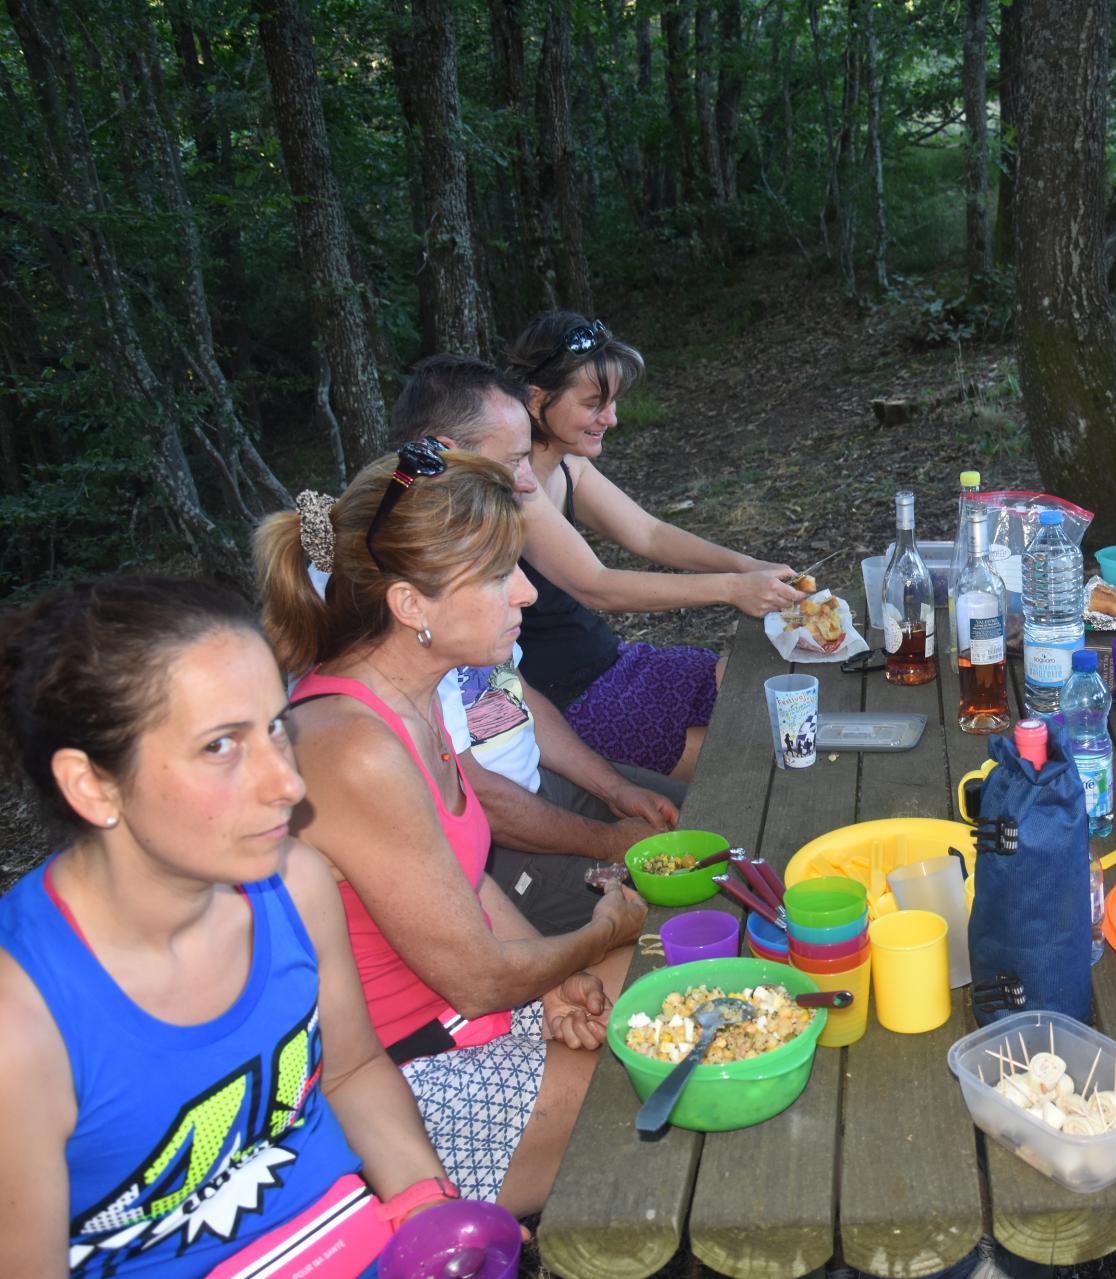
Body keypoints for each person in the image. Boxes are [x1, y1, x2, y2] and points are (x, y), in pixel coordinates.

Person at [0, 576, 457, 1278]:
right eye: (221, 746)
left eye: (276, 725)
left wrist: (430, 1211)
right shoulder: (24, 1020)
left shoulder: (294, 886)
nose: (289, 782)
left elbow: (355, 1069)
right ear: (93, 785)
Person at [256, 448, 649, 1216]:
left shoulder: (411, 694)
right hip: (411, 1087)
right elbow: (478, 978)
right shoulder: (353, 745)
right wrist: (601, 933)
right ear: (412, 605)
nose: (528, 592)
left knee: (694, 964)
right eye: (501, 573)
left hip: (476, 1018)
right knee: (677, 1057)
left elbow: (466, 878)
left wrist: (557, 978)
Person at [392, 355, 685, 934]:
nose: (529, 482)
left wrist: (615, 789)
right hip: (487, 854)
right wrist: (608, 840)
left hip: (541, 788)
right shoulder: (402, 572)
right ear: (445, 450)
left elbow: (514, 695)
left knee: (711, 830)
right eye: (514, 461)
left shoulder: (470, 539)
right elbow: (473, 792)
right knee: (676, 908)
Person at [501, 312, 805, 782]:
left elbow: (649, 534)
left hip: (615, 662)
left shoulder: (565, 464)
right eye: (594, 404)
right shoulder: (512, 485)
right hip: (568, 700)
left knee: (755, 688)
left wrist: (748, 564)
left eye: (614, 402)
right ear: (538, 401)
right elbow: (597, 586)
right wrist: (732, 588)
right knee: (758, 756)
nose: (612, 418)